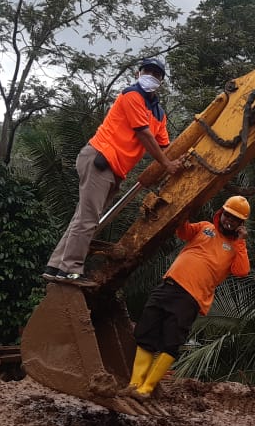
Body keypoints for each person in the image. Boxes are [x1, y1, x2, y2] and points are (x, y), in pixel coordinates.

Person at [44, 57, 182, 286]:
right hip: (100, 160)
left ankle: (56, 266)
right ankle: (70, 270)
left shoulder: (159, 113)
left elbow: (166, 145)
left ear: (161, 80)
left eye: (156, 74)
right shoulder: (132, 95)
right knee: (87, 219)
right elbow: (144, 135)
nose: (151, 76)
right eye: (147, 71)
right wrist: (168, 164)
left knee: (84, 218)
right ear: (139, 74)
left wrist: (182, 157)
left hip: (114, 169)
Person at [127, 195, 252, 398]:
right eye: (227, 216)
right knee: (145, 332)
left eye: (235, 219)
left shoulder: (235, 249)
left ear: (240, 224)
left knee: (171, 341)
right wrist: (184, 211)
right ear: (221, 213)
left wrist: (240, 243)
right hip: (169, 285)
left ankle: (146, 388)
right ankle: (134, 384)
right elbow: (183, 231)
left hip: (191, 298)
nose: (229, 220)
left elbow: (241, 271)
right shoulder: (204, 227)